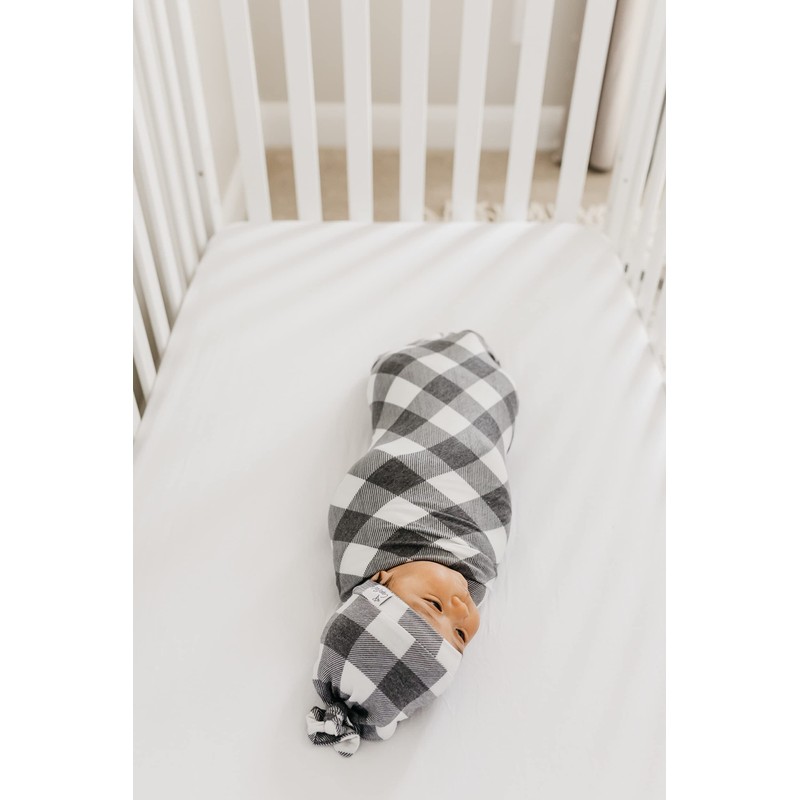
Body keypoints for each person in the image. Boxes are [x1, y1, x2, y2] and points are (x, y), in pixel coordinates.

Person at [307, 330, 518, 756]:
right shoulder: (472, 567)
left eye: (434, 604)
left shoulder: (368, 539)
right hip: (480, 429)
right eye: (460, 634)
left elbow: (364, 488)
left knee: (414, 386)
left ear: (380, 580)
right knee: (493, 407)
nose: (462, 608)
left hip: (412, 403)